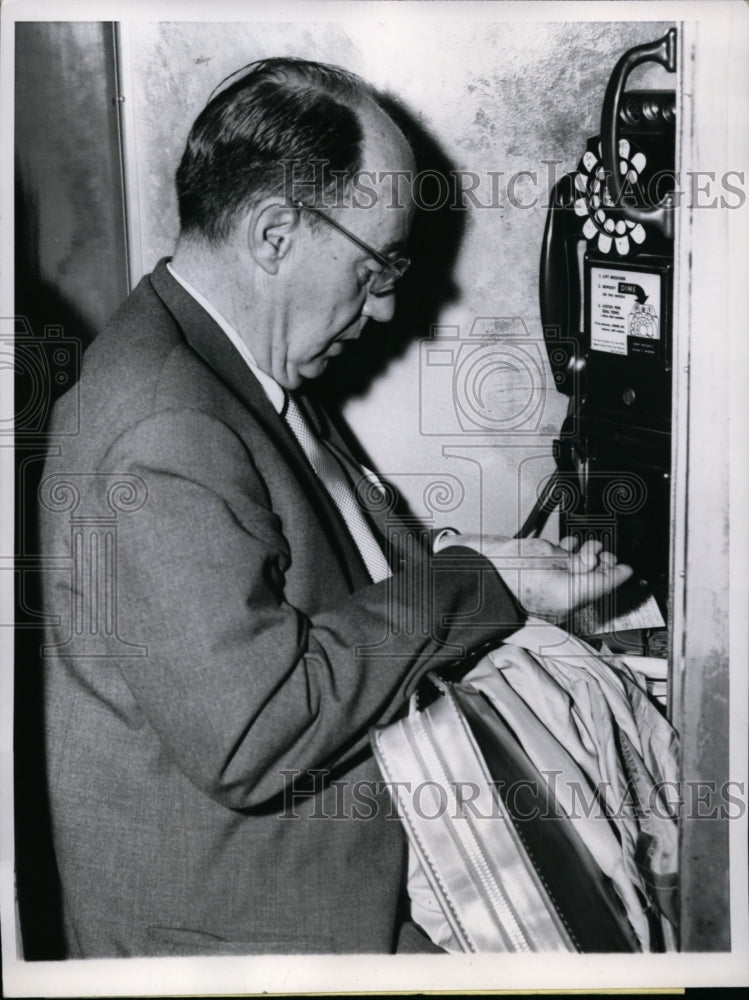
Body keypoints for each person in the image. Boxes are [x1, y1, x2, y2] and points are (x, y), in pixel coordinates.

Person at [38, 57, 632, 957]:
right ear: (276, 233)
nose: (390, 305)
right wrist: (472, 586)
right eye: (379, 264)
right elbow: (256, 730)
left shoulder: (234, 361)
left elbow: (318, 543)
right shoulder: (162, 427)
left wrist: (460, 557)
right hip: (245, 940)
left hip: (331, 880)